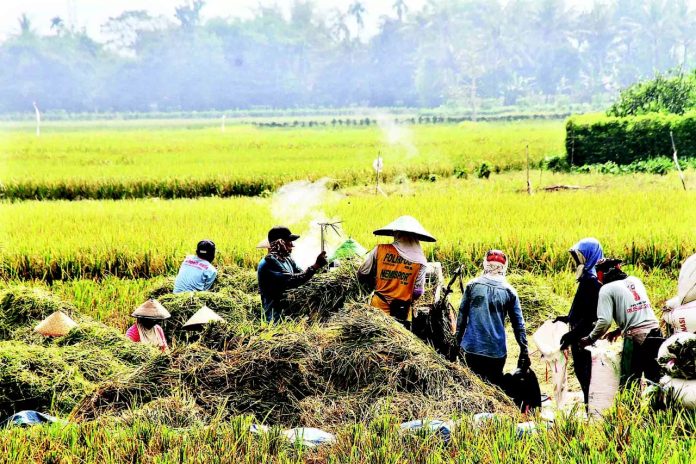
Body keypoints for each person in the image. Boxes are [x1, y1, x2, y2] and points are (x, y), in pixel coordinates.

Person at [580, 258, 662, 385]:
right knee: (655, 379)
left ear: (601, 273)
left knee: (629, 382)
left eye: (598, 273)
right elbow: (638, 312)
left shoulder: (606, 289)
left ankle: (628, 405)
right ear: (618, 268)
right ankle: (659, 405)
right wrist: (618, 331)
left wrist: (589, 339)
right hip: (656, 332)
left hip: (636, 339)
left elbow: (604, 322)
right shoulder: (635, 280)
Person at [455, 250, 530, 387]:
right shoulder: (509, 291)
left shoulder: (472, 286)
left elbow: (462, 315)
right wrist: (524, 349)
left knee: (470, 389)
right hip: (495, 352)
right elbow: (518, 324)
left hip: (471, 349)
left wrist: (456, 342)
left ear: (485, 264)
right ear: (504, 267)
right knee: (492, 391)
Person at [357, 215, 435, 330]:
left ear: (397, 234)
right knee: (398, 343)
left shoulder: (380, 250)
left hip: (378, 309)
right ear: (415, 237)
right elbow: (418, 291)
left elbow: (362, 273)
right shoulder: (421, 261)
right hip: (402, 312)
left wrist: (374, 282)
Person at [555, 238, 604, 405]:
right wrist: (566, 319)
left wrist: (572, 335)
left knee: (587, 379)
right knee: (584, 378)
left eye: (579, 257)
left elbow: (591, 316)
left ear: (589, 256)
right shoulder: (587, 279)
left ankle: (592, 413)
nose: (577, 261)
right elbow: (582, 309)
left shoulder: (591, 282)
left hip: (585, 340)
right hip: (581, 336)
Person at [257, 226, 327, 322]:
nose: (292, 246)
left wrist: (318, 271)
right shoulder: (269, 263)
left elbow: (301, 274)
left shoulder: (287, 259)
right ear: (279, 243)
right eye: (289, 242)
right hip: (274, 317)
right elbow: (292, 280)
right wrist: (316, 266)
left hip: (287, 312)